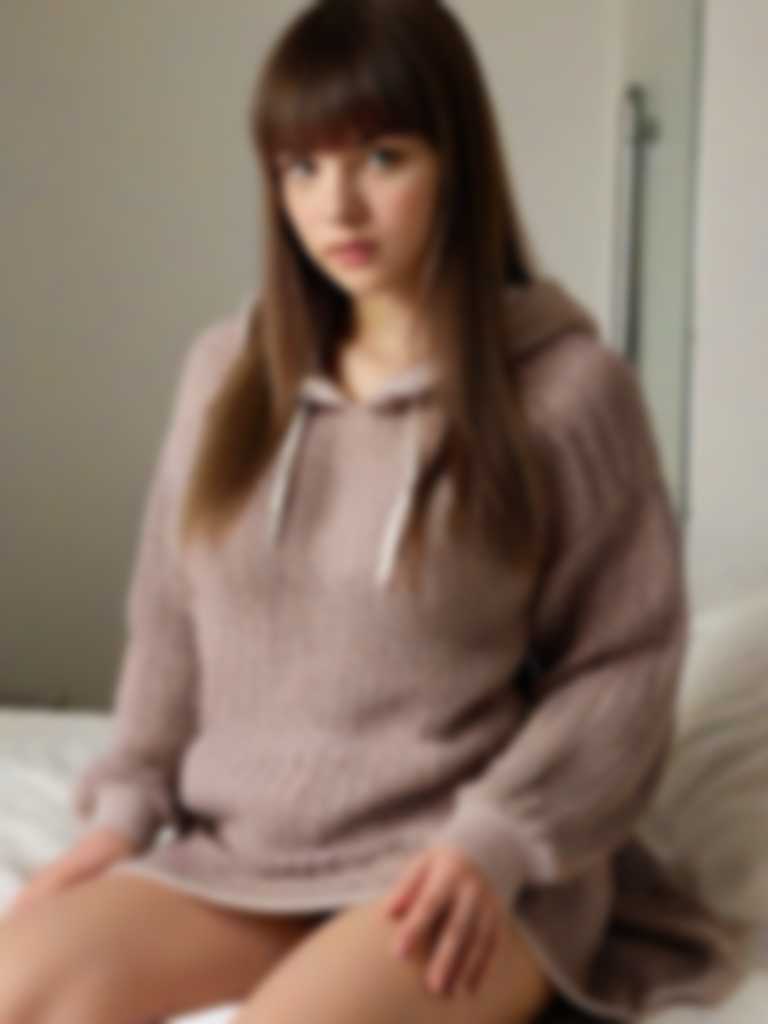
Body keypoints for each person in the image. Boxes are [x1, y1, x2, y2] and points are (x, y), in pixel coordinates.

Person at [0, 1, 752, 1022]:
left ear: (457, 162)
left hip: (458, 868)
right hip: (247, 855)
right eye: (302, 168)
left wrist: (495, 840)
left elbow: (623, 663)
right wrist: (121, 815)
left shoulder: (568, 393)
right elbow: (170, 626)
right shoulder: (228, 372)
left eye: (383, 158)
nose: (337, 206)